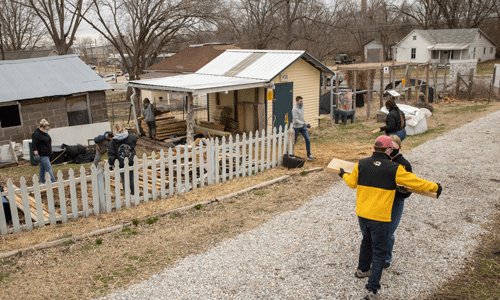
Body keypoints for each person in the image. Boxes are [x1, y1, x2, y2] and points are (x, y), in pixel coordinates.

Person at [338, 135, 442, 300]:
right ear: (388, 149)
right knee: (380, 252)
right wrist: (435, 187)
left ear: (374, 147)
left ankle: (362, 270)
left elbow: (351, 183)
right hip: (380, 217)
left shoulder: (361, 164)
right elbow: (415, 182)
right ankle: (372, 290)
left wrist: (343, 174)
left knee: (366, 240)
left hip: (363, 214)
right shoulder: (394, 168)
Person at [385, 134, 412, 269]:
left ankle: (386, 258)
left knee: (389, 230)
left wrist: (402, 191)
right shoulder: (382, 160)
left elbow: (410, 187)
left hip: (395, 200)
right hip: (382, 199)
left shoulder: (404, 164)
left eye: (393, 147)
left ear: (399, 147)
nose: (391, 150)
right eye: (389, 147)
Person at [108, 123, 137, 195]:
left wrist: (111, 164)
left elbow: (112, 154)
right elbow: (135, 139)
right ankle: (134, 194)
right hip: (131, 161)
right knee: (131, 179)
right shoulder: (130, 137)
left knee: (124, 180)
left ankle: (127, 195)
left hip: (121, 163)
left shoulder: (113, 142)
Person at [32, 119, 56, 184]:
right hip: (42, 155)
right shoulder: (36, 134)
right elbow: (34, 145)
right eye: (46, 128)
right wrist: (36, 154)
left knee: (42, 169)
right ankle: (54, 182)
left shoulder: (45, 134)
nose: (47, 130)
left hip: (47, 153)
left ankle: (42, 182)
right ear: (42, 127)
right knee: (48, 169)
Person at [292, 96, 315, 160]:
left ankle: (309, 155)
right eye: (300, 101)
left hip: (302, 126)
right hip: (296, 127)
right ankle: (291, 153)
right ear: (296, 102)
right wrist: (304, 124)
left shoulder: (303, 107)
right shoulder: (294, 109)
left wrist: (305, 124)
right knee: (294, 141)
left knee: (307, 139)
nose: (301, 103)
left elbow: (301, 117)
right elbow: (296, 119)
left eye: (302, 101)